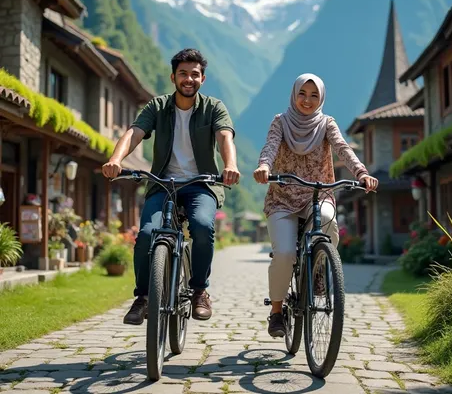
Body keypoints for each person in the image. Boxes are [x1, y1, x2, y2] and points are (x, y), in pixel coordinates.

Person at [102, 48, 240, 325]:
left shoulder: (214, 107)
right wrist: (115, 159)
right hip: (163, 185)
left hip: (202, 185)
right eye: (183, 74)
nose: (189, 79)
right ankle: (142, 297)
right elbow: (135, 133)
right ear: (173, 77)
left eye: (195, 74)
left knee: (202, 226)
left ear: (203, 78)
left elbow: (225, 136)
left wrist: (230, 165)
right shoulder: (157, 106)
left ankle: (200, 291)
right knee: (145, 235)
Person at [253, 73, 378, 338]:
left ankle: (320, 266)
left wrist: (361, 173)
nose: (307, 100)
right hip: (283, 198)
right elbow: (271, 146)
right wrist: (264, 165)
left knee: (328, 219)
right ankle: (276, 312)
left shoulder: (326, 124)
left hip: (318, 194)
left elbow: (343, 148)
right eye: (302, 94)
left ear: (321, 98)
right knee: (285, 253)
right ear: (294, 94)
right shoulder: (281, 122)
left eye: (314, 95)